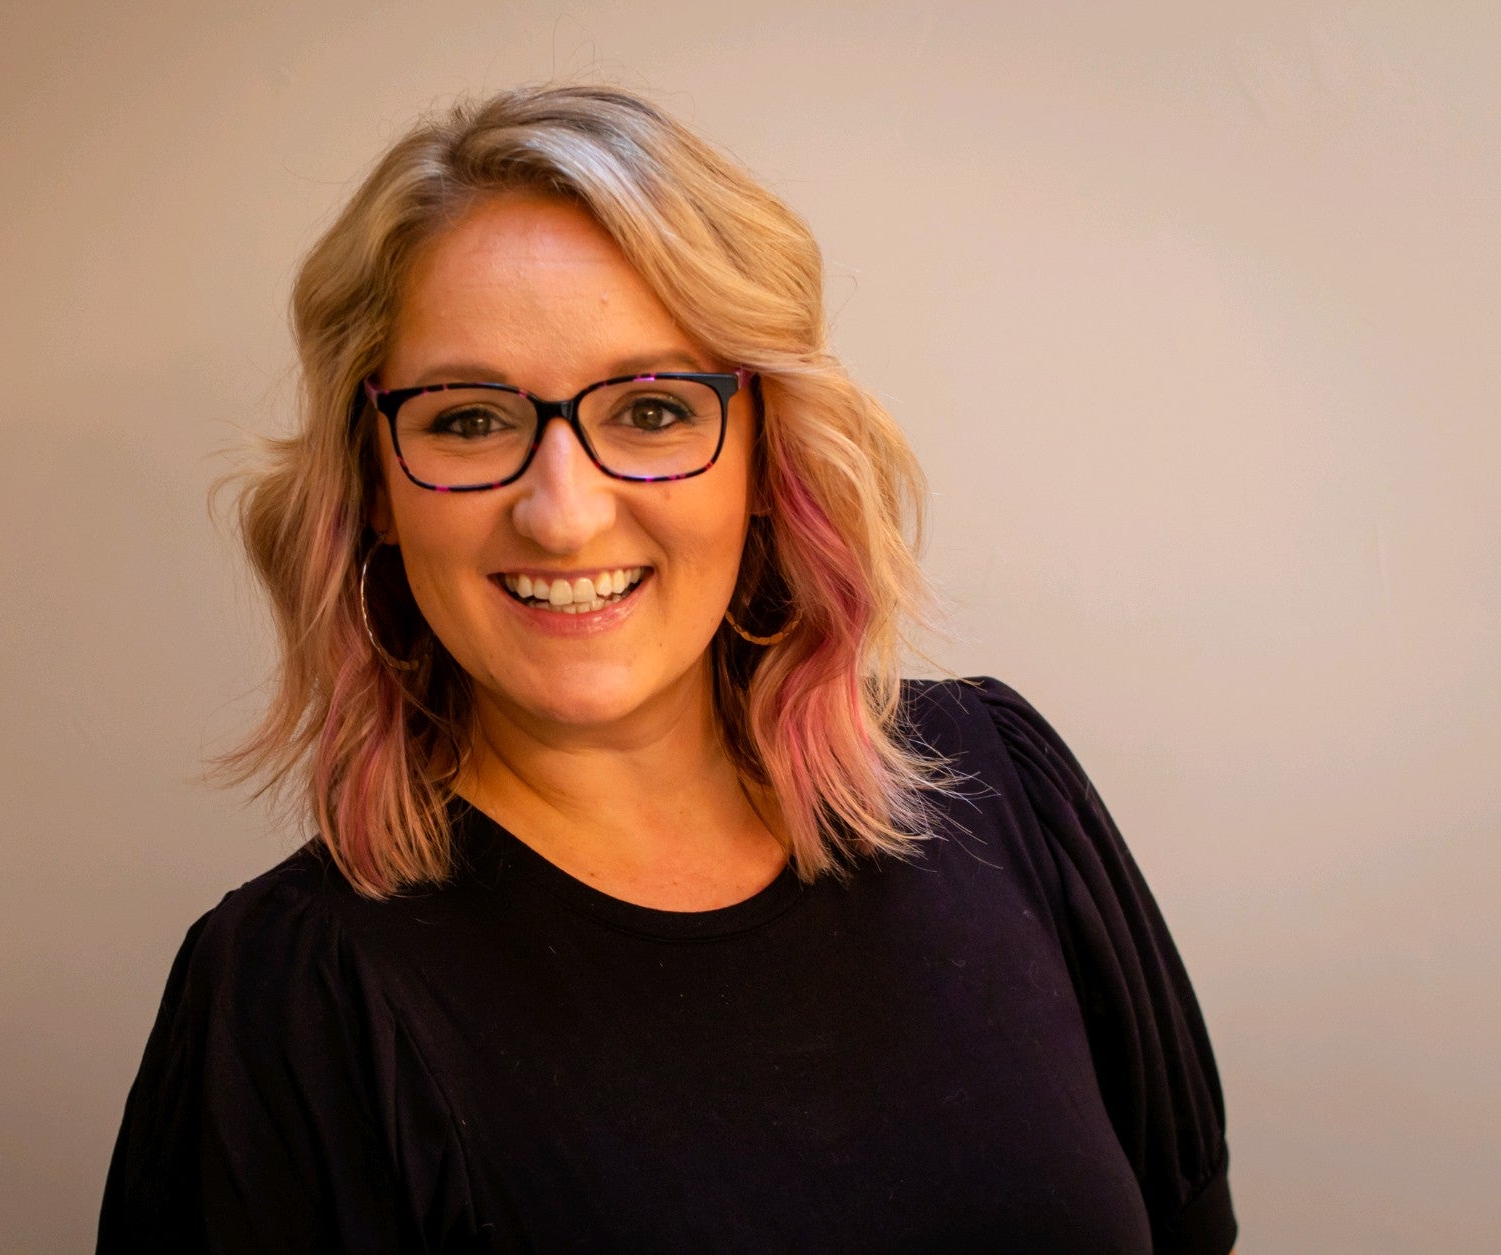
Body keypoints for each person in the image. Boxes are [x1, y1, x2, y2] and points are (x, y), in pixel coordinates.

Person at [97, 84, 1237, 1253]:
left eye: (650, 409)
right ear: (374, 487)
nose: (561, 515)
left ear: (763, 456)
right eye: (469, 420)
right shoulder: (298, 1001)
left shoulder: (1004, 790)